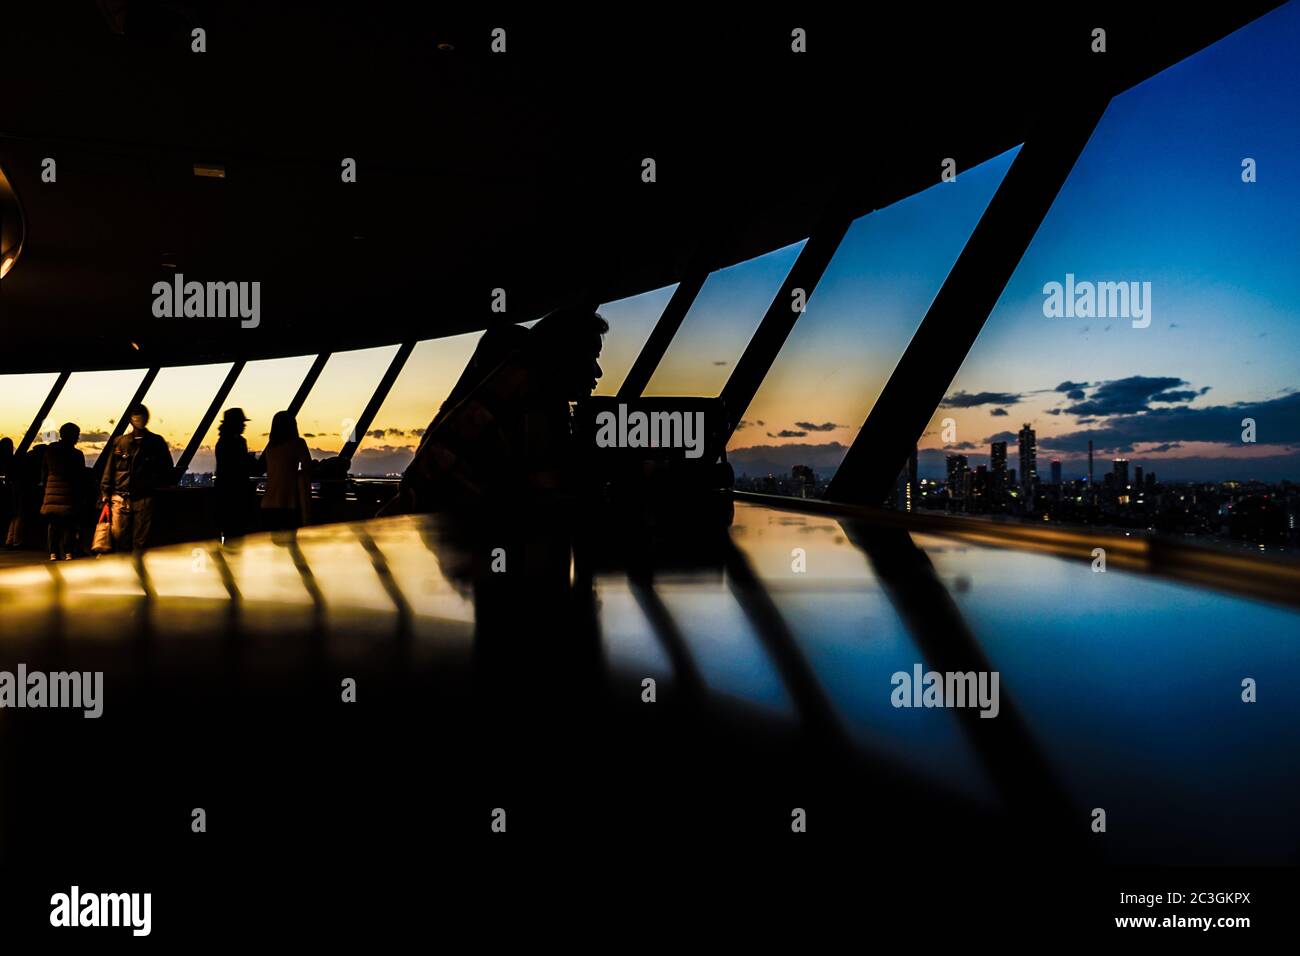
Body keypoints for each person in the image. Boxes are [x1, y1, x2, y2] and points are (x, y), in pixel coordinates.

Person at [382, 305, 607, 514]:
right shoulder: (530, 402)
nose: (598, 372)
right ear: (565, 355)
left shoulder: (506, 398)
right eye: (592, 356)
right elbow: (547, 504)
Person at [98, 403, 175, 552]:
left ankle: (128, 568)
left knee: (131, 539)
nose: (138, 419)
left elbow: (110, 469)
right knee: (129, 538)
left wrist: (106, 492)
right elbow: (110, 468)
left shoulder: (123, 442)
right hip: (132, 496)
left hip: (132, 496)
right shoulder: (152, 442)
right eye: (136, 416)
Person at [258, 411, 312, 531]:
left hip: (266, 505)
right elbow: (308, 467)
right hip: (287, 504)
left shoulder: (270, 447)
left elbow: (263, 468)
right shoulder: (298, 443)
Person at [40, 423, 87, 560]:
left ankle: (53, 552)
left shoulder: (51, 450)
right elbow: (80, 476)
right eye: (77, 435)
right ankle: (68, 552)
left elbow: (44, 471)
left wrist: (46, 487)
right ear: (72, 436)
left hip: (52, 491)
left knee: (54, 524)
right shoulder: (76, 454)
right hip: (69, 492)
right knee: (69, 524)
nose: (77, 438)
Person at [214, 407, 258, 540]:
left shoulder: (221, 442)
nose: (244, 425)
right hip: (237, 496)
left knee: (230, 534)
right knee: (237, 535)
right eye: (242, 422)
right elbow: (242, 466)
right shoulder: (238, 442)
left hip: (224, 495)